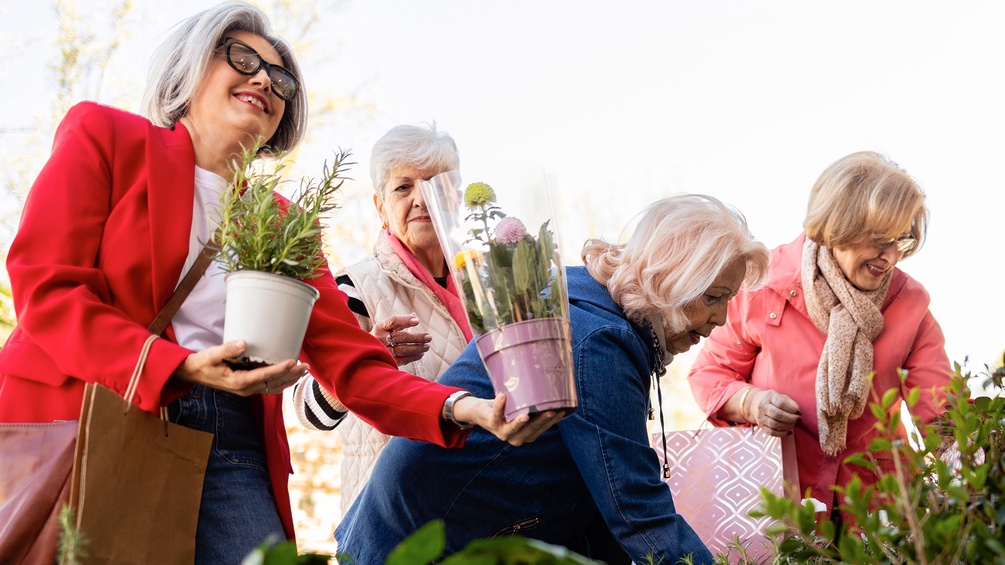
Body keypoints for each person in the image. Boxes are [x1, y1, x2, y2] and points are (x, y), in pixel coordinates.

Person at [0, 2, 555, 563]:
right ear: (191, 66)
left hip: (229, 440)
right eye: (243, 59)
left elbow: (353, 366)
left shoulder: (287, 223)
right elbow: (47, 289)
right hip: (94, 411)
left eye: (280, 78)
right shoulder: (107, 138)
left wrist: (465, 408)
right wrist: (178, 366)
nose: (265, 79)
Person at [334, 194, 771, 565]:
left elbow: (598, 504)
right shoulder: (598, 340)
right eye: (713, 297)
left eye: (728, 300)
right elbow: (634, 509)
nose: (720, 319)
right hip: (421, 542)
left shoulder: (599, 313)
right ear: (671, 277)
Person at [688, 151, 951, 517]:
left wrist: (980, 475)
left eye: (902, 240)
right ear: (839, 225)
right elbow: (710, 375)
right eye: (880, 239)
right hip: (782, 500)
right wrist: (752, 403)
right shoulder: (765, 282)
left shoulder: (910, 304)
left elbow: (941, 412)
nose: (891, 256)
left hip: (876, 511)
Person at [293, 123, 473, 514]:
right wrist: (368, 356)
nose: (421, 199)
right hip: (395, 514)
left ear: (456, 198)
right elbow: (307, 410)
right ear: (381, 207)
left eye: (435, 185)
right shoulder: (354, 287)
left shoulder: (487, 283)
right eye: (403, 187)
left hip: (484, 503)